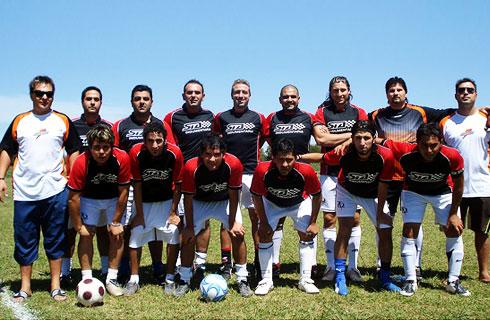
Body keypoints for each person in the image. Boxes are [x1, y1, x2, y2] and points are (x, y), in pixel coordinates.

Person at [0, 75, 81, 302]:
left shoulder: (62, 121)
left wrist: (72, 180)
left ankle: (55, 285)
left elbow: (74, 149)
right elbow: (7, 149)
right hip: (25, 193)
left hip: (55, 191)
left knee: (56, 239)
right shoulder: (20, 121)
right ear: (31, 95)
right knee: (25, 240)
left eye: (49, 94)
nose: (44, 97)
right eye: (39, 93)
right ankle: (25, 287)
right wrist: (0, 178)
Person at [369, 77, 454, 279]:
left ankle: (416, 265)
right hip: (387, 176)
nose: (395, 93)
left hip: (413, 177)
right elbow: (365, 134)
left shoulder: (421, 112)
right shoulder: (376, 115)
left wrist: (478, 112)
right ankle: (382, 263)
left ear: (406, 93)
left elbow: (450, 113)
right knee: (383, 220)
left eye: (399, 90)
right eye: (391, 90)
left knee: (414, 222)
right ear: (386, 94)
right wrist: (383, 141)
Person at [302, 121, 399, 296]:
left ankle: (385, 277)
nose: (362, 143)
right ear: (352, 139)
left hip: (373, 194)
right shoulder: (343, 152)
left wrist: (379, 214)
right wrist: (298, 158)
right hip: (347, 191)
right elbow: (323, 158)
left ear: (374, 139)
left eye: (367, 138)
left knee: (385, 229)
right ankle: (340, 276)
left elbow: (384, 185)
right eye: (358, 138)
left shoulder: (386, 156)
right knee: (344, 229)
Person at [264, 84, 346, 279]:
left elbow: (321, 139)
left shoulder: (308, 117)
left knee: (308, 220)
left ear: (299, 99)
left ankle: (312, 264)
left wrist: (302, 158)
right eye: (285, 97)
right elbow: (267, 142)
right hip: (278, 172)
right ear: (280, 99)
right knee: (278, 220)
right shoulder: (271, 118)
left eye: (293, 96)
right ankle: (274, 263)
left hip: (301, 172)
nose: (289, 100)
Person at [380, 123, 469, 296]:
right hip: (413, 192)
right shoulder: (405, 151)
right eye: (424, 145)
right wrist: (347, 142)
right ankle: (410, 280)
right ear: (416, 142)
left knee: (454, 230)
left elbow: (459, 187)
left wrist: (453, 214)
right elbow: (379, 141)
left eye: (434, 145)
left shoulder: (452, 156)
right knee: (409, 231)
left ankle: (453, 281)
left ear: (441, 142)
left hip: (443, 192)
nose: (429, 150)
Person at [174, 133, 252, 297]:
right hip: (199, 202)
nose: (212, 159)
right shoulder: (190, 166)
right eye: (208, 154)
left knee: (237, 234)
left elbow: (233, 194)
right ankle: (185, 279)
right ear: (201, 154)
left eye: (217, 155)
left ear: (224, 154)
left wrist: (232, 223)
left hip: (224, 201)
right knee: (187, 237)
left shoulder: (234, 164)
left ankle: (242, 279)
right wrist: (188, 227)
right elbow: (187, 198)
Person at [112, 85, 173, 285]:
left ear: (151, 102)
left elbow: (170, 150)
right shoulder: (121, 125)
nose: (141, 102)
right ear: (132, 101)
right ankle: (124, 268)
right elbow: (114, 154)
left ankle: (157, 266)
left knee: (155, 228)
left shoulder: (162, 124)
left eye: (145, 98)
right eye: (137, 98)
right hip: (129, 184)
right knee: (129, 225)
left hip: (157, 183)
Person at [164, 80, 223, 279]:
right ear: (183, 95)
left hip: (206, 174)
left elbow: (216, 144)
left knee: (204, 222)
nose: (193, 96)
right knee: (183, 220)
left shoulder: (210, 117)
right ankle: (182, 263)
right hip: (183, 175)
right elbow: (171, 148)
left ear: (203, 96)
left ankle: (201, 262)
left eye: (197, 92)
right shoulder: (172, 117)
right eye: (189, 92)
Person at [314, 76, 367, 282]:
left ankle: (352, 268)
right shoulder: (322, 112)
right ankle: (330, 267)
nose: (339, 94)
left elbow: (364, 136)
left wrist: (338, 136)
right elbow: (321, 139)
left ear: (349, 90)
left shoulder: (358, 112)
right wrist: (351, 134)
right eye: (335, 90)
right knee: (329, 219)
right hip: (329, 172)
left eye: (343, 90)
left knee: (353, 219)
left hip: (354, 172)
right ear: (330, 92)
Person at [252, 138, 321, 295]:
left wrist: (314, 222)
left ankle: (306, 279)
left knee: (307, 234)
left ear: (295, 157)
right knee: (264, 234)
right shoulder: (262, 170)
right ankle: (266, 280)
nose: (284, 164)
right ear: (273, 158)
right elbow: (256, 196)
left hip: (299, 202)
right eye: (281, 160)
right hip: (272, 203)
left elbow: (317, 195)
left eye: (289, 160)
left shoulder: (306, 171)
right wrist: (263, 222)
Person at [67, 126, 130, 296]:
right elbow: (73, 198)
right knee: (87, 235)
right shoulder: (81, 161)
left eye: (105, 147)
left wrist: (116, 221)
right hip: (89, 199)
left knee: (117, 234)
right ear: (90, 147)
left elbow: (124, 192)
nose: (101, 152)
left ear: (112, 146)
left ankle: (111, 278)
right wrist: (80, 227)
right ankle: (86, 277)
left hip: (113, 199)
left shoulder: (122, 157)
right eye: (96, 147)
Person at [213, 79, 267, 279]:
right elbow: (215, 141)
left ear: (249, 95)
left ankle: (258, 261)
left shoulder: (259, 118)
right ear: (231, 95)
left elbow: (264, 141)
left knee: (256, 219)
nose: (240, 95)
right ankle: (226, 263)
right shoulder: (222, 118)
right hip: (228, 175)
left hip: (252, 174)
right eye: (237, 92)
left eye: (244, 92)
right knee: (228, 219)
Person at [440, 78, 490, 283]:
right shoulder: (446, 122)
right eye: (462, 90)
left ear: (476, 94)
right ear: (456, 95)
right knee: (452, 230)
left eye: (470, 90)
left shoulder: (486, 117)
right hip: (454, 187)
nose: (466, 93)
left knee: (482, 231)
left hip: (483, 185)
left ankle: (484, 271)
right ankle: (454, 272)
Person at [61, 86, 112, 286]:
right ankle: (66, 272)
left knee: (102, 231)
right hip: (76, 188)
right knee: (72, 229)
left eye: (96, 99)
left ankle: (106, 270)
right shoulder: (72, 125)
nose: (92, 102)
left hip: (101, 188)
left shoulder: (108, 126)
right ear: (82, 101)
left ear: (101, 102)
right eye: (89, 99)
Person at [126, 122, 184, 295]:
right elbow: (136, 184)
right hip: (144, 201)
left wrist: (173, 212)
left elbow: (178, 185)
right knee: (135, 236)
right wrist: (139, 213)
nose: (155, 145)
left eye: (159, 141)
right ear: (144, 141)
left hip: (166, 201)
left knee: (173, 234)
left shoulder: (175, 153)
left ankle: (169, 277)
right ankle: (133, 279)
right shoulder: (136, 153)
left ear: (165, 140)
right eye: (150, 141)